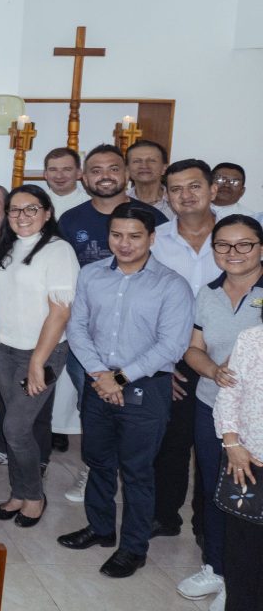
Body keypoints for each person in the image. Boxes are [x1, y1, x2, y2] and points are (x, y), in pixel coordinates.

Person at [57, 204, 194, 579]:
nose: (125, 243)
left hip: (147, 389)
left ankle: (133, 548)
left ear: (151, 238)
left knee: (137, 471)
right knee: (98, 461)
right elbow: (78, 328)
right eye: (117, 235)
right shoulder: (92, 275)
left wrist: (119, 379)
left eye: (135, 236)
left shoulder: (172, 284)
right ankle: (100, 528)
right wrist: (101, 375)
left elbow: (172, 346)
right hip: (98, 382)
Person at [176, 215, 263, 608]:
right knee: (216, 490)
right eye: (223, 245)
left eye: (244, 244)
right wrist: (214, 371)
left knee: (253, 499)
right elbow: (193, 348)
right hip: (213, 405)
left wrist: (240, 367)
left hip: (256, 417)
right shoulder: (207, 293)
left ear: (261, 247)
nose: (233, 253)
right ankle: (217, 566)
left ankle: (245, 578)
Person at [0, 185, 78, 528]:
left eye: (31, 209)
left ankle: (35, 496)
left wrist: (39, 362)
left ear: (47, 213)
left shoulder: (58, 251)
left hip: (42, 351)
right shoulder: (7, 248)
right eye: (15, 210)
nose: (22, 216)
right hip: (5, 348)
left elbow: (59, 313)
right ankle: (18, 492)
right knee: (15, 427)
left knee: (16, 427)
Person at [151, 159, 223, 543]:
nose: (185, 195)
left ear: (212, 190)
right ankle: (165, 515)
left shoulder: (236, 235)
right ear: (167, 196)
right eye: (176, 189)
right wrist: (162, 366)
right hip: (173, 355)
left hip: (225, 357)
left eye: (194, 186)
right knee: (171, 442)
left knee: (215, 444)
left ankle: (208, 524)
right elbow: (146, 304)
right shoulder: (156, 240)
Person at [213, 318, 263, 611]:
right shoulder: (251, 339)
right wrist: (232, 444)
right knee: (243, 557)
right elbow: (230, 392)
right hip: (248, 463)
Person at [126, 139, 172, 217]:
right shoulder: (120, 201)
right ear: (127, 169)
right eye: (136, 161)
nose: (144, 166)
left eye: (152, 160)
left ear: (164, 168)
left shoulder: (177, 202)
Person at [43, 147, 91, 213]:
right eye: (53, 170)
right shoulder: (35, 203)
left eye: (66, 169)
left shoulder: (90, 205)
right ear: (45, 174)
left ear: (78, 173)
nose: (59, 176)